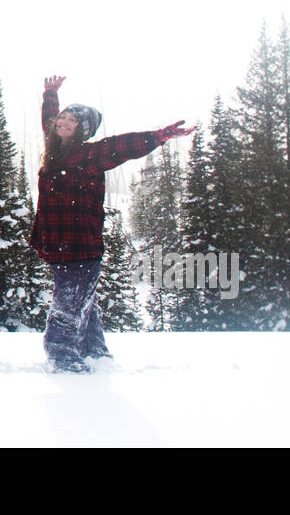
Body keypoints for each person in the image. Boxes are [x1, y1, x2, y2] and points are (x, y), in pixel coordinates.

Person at [30, 74, 194, 373]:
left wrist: (159, 136)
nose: (62, 122)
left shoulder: (89, 155)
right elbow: (49, 119)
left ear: (83, 131)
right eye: (63, 117)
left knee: (67, 310)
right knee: (82, 304)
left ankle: (64, 362)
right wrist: (50, 92)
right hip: (56, 247)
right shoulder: (54, 149)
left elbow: (122, 146)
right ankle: (97, 355)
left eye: (71, 121)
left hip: (80, 250)